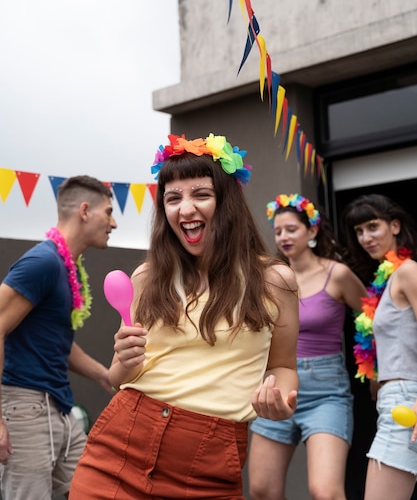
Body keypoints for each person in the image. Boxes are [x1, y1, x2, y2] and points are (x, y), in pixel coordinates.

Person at [69, 133, 299, 500]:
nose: (185, 209)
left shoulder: (276, 281)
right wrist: (122, 361)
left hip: (208, 465)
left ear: (227, 203)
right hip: (119, 447)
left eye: (201, 195)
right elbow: (118, 377)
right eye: (173, 199)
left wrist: (281, 401)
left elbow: (284, 366)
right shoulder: (145, 278)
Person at [0, 174, 118, 500]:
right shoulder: (43, 262)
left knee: (92, 490)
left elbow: (53, 342)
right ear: (84, 210)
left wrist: (104, 375)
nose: (114, 223)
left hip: (59, 408)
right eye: (108, 212)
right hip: (25, 410)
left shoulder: (68, 267)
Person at [249, 193, 367, 500]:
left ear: (312, 231)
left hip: (326, 391)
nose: (283, 237)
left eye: (291, 229)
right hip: (276, 385)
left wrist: (373, 368)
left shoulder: (336, 274)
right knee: (262, 490)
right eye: (277, 232)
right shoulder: (271, 278)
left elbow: (373, 318)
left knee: (325, 492)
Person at [342, 193, 417, 500]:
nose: (365, 237)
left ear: (395, 226)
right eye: (359, 231)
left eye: (373, 227)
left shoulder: (408, 271)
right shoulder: (386, 279)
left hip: (408, 402)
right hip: (394, 401)